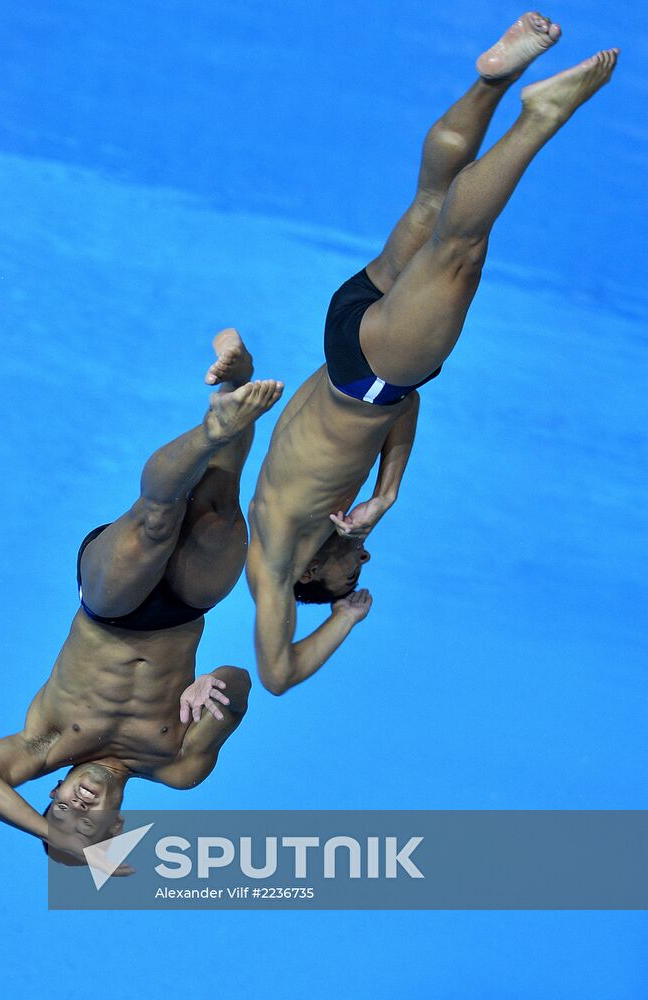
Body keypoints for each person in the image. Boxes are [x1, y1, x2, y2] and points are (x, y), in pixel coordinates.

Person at [245, 14, 618, 695]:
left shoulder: (274, 565)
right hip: (348, 343)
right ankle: (492, 79)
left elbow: (276, 676)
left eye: (349, 575)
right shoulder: (308, 513)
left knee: (459, 250)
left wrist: (346, 619)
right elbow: (405, 404)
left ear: (312, 577)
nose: (360, 561)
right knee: (430, 201)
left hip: (371, 373)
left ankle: (537, 119)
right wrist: (388, 491)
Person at [0, 331, 283, 868]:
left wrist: (58, 838)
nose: (74, 807)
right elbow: (240, 687)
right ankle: (236, 377)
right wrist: (216, 683)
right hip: (184, 611)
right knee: (220, 506)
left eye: (58, 811)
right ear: (117, 824)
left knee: (158, 520)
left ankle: (210, 429)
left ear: (52, 793)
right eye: (86, 825)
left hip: (108, 604)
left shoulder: (46, 745)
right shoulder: (178, 766)